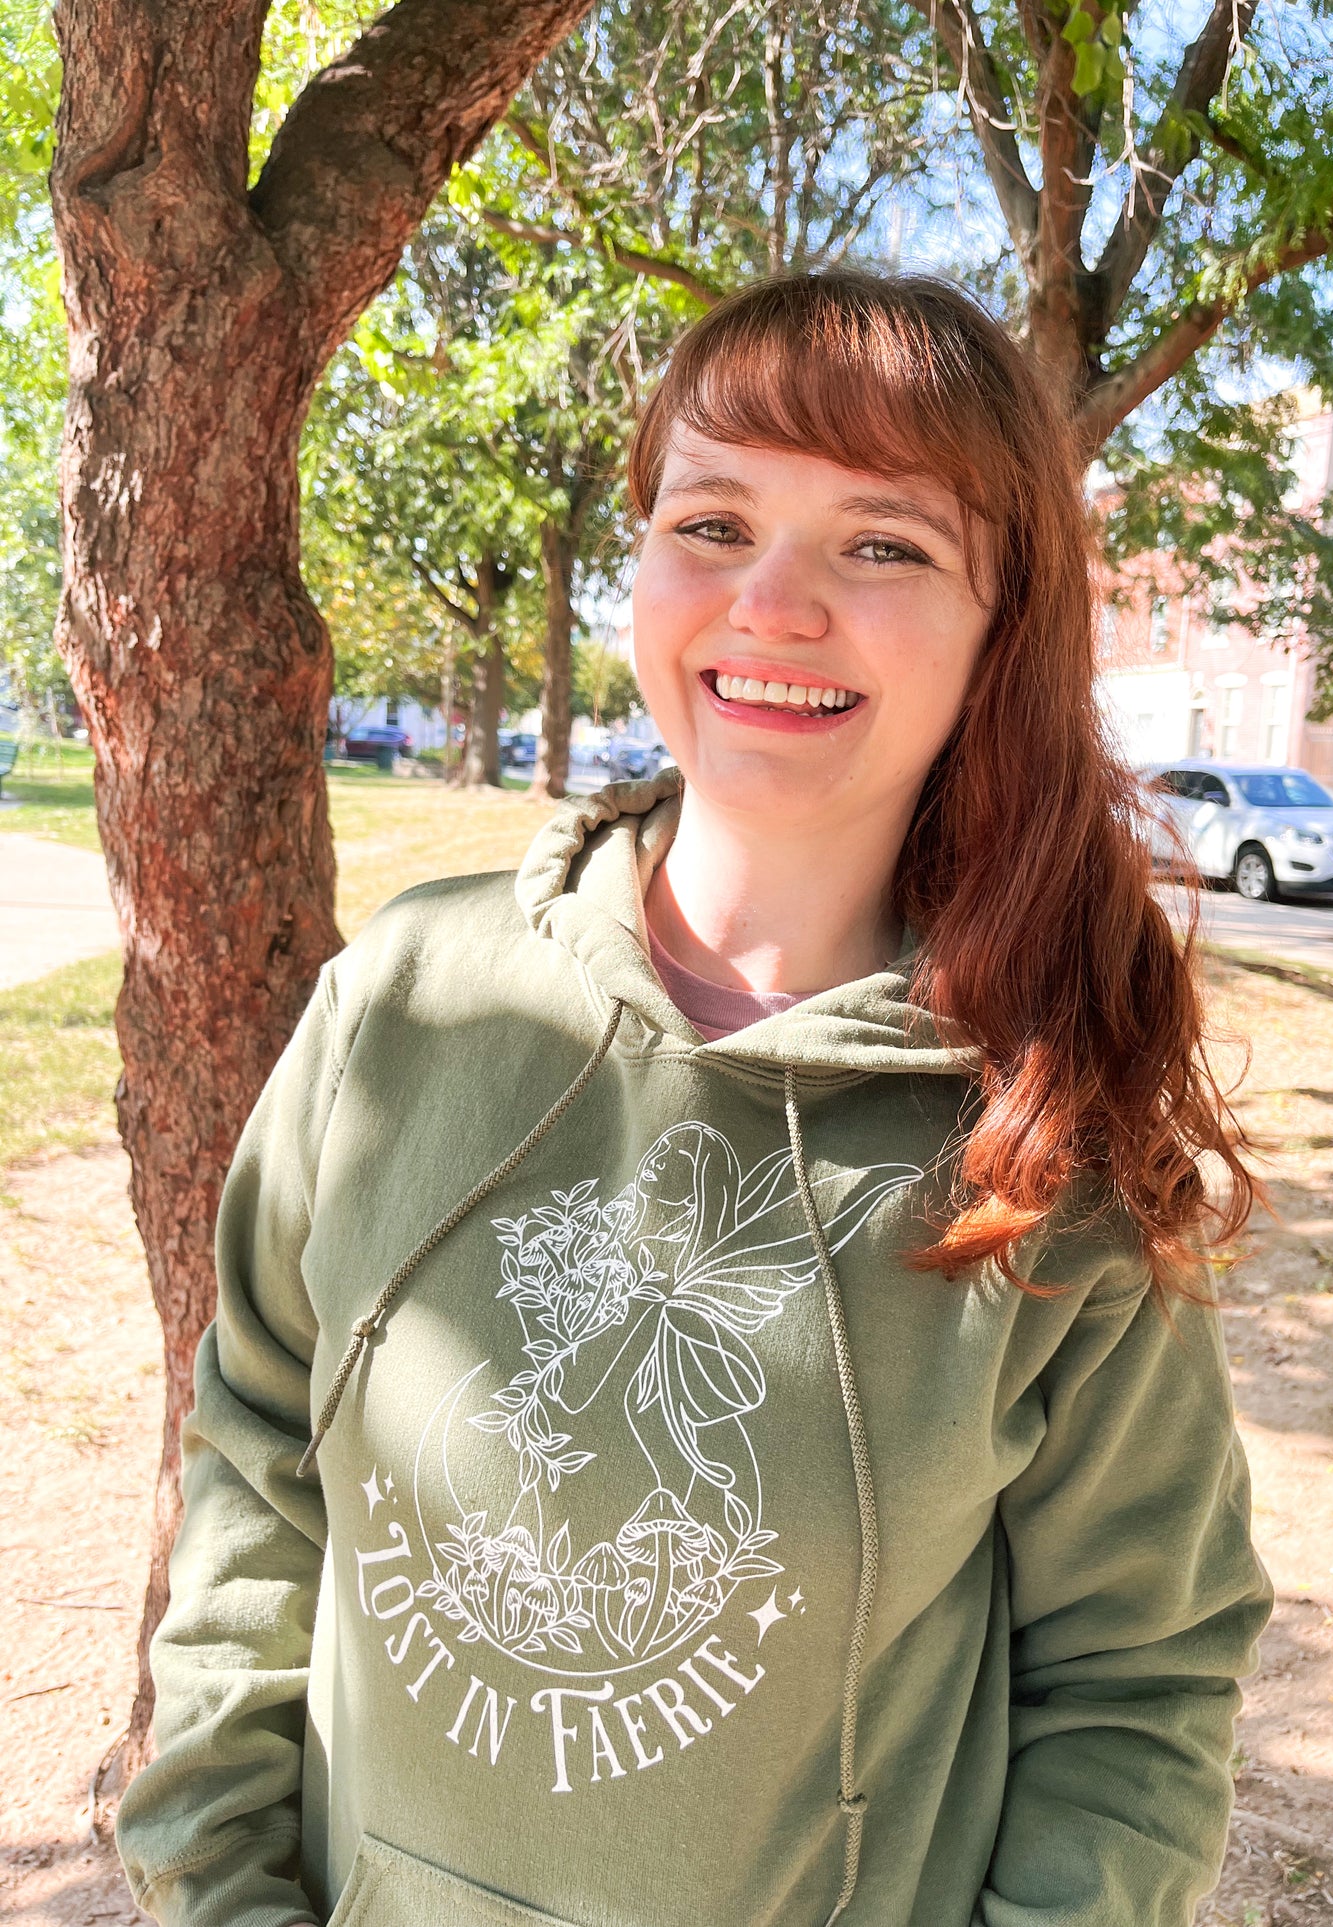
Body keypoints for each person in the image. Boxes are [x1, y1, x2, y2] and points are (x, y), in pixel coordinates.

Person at [117, 270, 1273, 1927]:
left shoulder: (1044, 1141)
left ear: (999, 628)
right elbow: (254, 1458)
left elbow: (1137, 1681)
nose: (773, 604)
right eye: (713, 522)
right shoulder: (405, 1000)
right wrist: (216, 1886)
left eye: (884, 545)